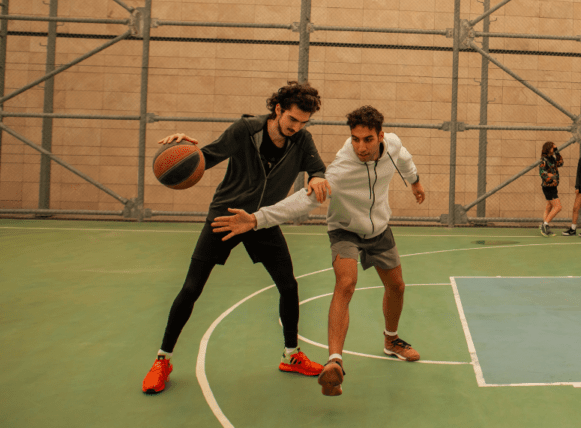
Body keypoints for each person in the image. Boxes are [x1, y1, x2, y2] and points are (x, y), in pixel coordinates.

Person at [212, 105, 426, 397]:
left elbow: (404, 160)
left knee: (397, 287)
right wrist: (255, 219)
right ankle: (334, 362)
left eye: (367, 139)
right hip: (345, 229)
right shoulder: (340, 168)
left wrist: (415, 183)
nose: (360, 146)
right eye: (355, 139)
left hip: (379, 229)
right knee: (346, 283)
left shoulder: (394, 145)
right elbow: (304, 200)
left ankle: (392, 341)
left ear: (381, 135)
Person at [142, 81, 332, 394]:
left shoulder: (302, 140)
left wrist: (317, 177)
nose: (296, 128)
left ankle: (291, 355)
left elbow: (317, 169)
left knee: (289, 285)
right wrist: (181, 151)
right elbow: (207, 157)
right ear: (278, 110)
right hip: (227, 217)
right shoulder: (246, 130)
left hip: (260, 221)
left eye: (303, 123)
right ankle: (162, 359)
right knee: (191, 288)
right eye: (292, 120)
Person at [538, 141, 563, 237]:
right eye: (553, 148)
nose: (554, 149)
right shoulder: (543, 160)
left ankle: (545, 226)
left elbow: (560, 163)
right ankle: (545, 225)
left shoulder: (552, 158)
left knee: (549, 206)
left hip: (554, 186)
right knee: (558, 207)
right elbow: (542, 174)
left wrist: (557, 152)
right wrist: (552, 178)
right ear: (548, 149)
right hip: (548, 187)